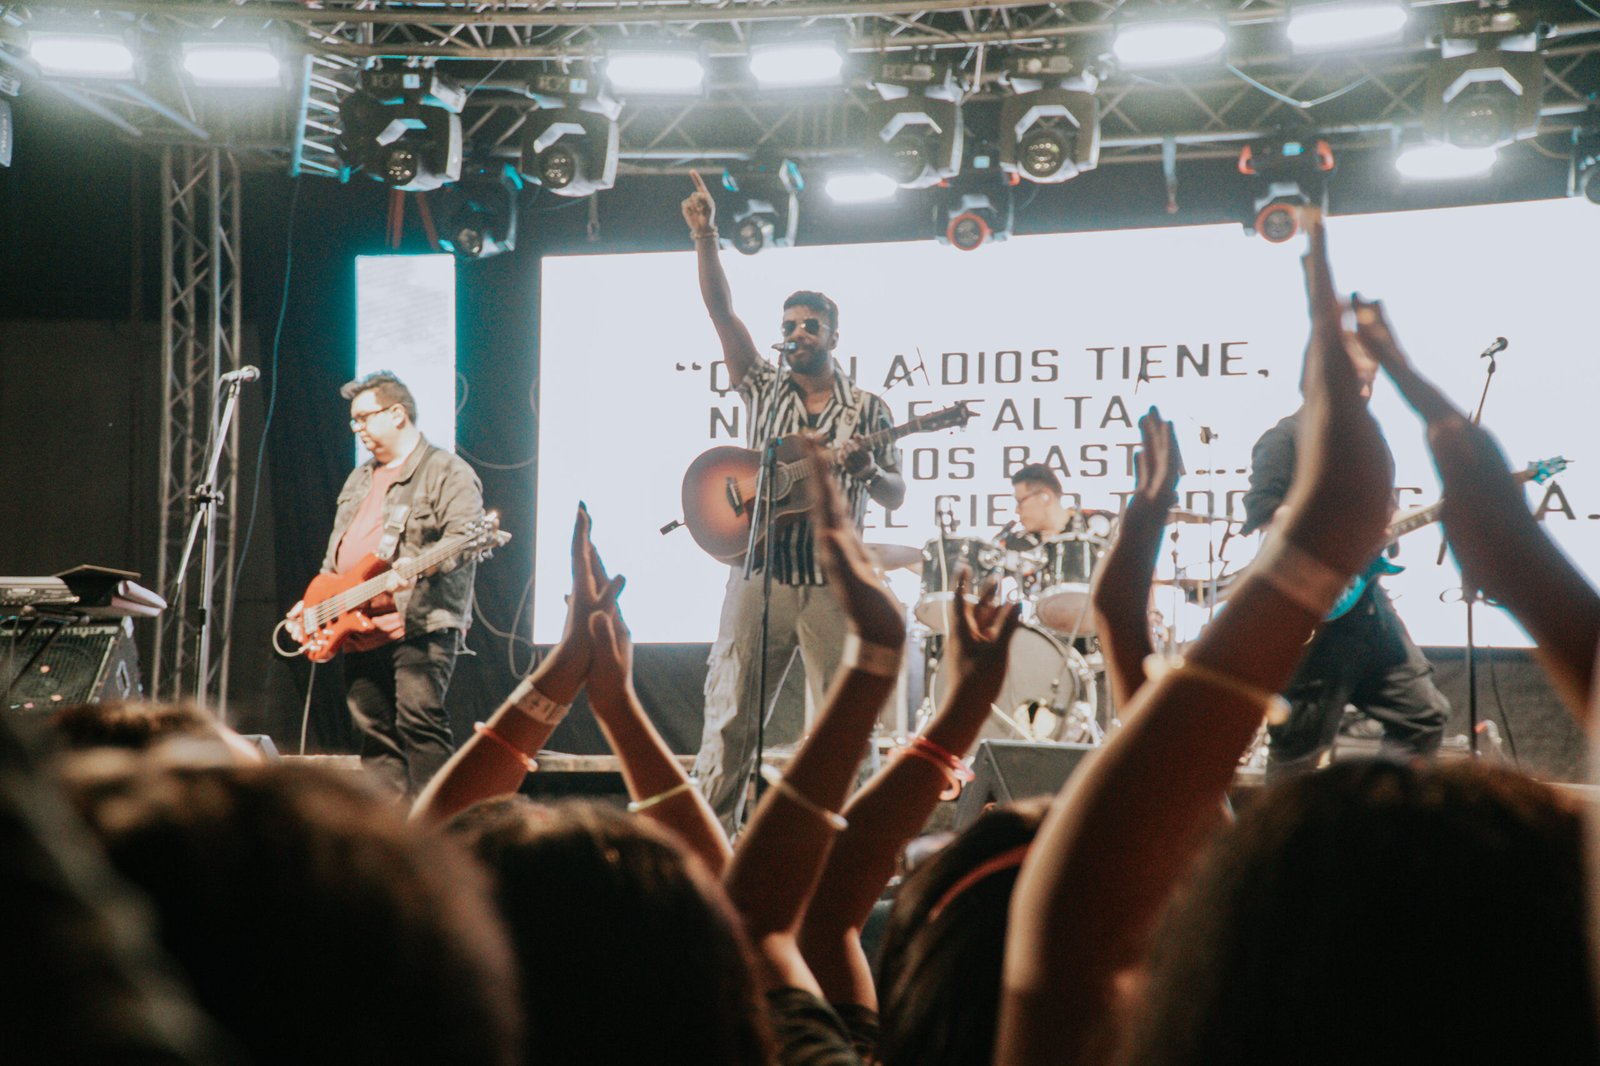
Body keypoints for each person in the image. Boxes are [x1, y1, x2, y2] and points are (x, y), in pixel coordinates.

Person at [680, 172, 906, 833]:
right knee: (728, 721)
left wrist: (868, 466)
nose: (796, 332)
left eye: (810, 325)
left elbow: (895, 491)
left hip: (834, 585)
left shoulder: (868, 409)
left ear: (834, 335)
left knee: (838, 727)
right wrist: (704, 234)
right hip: (758, 576)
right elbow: (722, 313)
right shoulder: (762, 387)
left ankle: (832, 843)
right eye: (789, 325)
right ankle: (710, 843)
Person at [1239, 341, 1448, 777]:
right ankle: (1289, 842)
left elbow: (1382, 516)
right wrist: (1331, 526)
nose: (1365, 392)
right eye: (1354, 381)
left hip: (1368, 606)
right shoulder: (1285, 439)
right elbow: (1263, 512)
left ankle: (1381, 822)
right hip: (1312, 613)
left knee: (1423, 716)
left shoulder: (1371, 444)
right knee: (1299, 748)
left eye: (1370, 382)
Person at [288, 370, 484, 797]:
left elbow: (462, 541)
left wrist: (416, 567)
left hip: (417, 624)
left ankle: (439, 830)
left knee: (419, 723)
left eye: (364, 417)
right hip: (357, 625)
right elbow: (335, 557)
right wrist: (314, 604)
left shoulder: (447, 471)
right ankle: (391, 839)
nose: (356, 428)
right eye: (353, 421)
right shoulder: (359, 478)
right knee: (374, 735)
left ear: (398, 414)